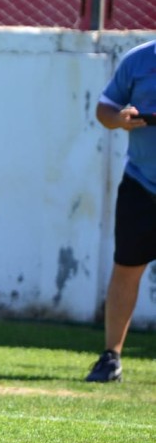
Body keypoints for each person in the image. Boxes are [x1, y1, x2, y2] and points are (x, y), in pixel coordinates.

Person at [86, 39, 156, 383]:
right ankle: (111, 356)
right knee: (127, 269)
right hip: (141, 184)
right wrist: (121, 120)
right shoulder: (139, 60)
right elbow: (105, 110)